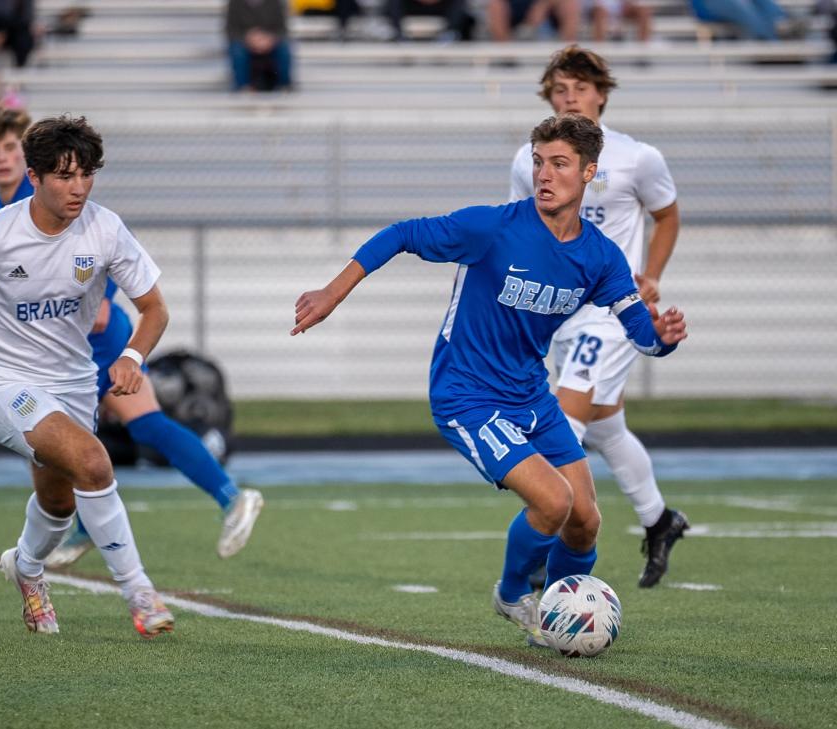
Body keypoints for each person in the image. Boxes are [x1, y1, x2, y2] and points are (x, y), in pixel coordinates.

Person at [292, 113, 688, 646]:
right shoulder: (494, 228)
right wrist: (331, 293)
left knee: (585, 521)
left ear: (590, 173)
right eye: (539, 161)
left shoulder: (600, 256)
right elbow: (403, 233)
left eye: (560, 164)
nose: (544, 174)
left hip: (530, 395)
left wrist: (664, 336)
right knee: (553, 501)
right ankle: (510, 593)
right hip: (467, 396)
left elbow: (641, 334)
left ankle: (561, 615)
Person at [0, 114, 176, 638]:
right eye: (65, 176)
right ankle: (141, 594)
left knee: (59, 502)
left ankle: (25, 568)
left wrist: (132, 358)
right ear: (35, 178)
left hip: (70, 384)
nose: (78, 188)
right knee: (94, 462)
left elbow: (154, 308)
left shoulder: (106, 227)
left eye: (86, 174)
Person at [0, 101, 264, 567]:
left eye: (10, 147)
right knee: (73, 438)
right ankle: (99, 523)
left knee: (126, 425)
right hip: (46, 347)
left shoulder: (59, 198)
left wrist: (101, 300)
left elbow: (92, 253)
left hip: (92, 339)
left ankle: (229, 498)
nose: (1, 157)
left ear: (28, 160)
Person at [510, 46, 688, 589]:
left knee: (563, 424)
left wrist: (652, 273)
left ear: (601, 95)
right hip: (560, 311)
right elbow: (524, 229)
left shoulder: (636, 157)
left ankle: (548, 541)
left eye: (580, 88)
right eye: (560, 89)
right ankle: (660, 521)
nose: (570, 97)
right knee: (607, 425)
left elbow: (667, 215)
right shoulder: (529, 159)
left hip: (613, 312)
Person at [226, 0, 294, 91]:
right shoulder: (235, 2)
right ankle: (243, 87)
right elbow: (231, 30)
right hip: (245, 43)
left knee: (284, 48)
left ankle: (284, 85)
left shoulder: (276, 2)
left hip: (270, 42)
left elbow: (282, 30)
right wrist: (248, 39)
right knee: (237, 50)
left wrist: (269, 39)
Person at [487, 0, 581, 42]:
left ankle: (568, 55)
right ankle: (505, 57)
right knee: (496, 5)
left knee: (570, 4)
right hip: (516, 6)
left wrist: (543, 4)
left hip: (550, 6)